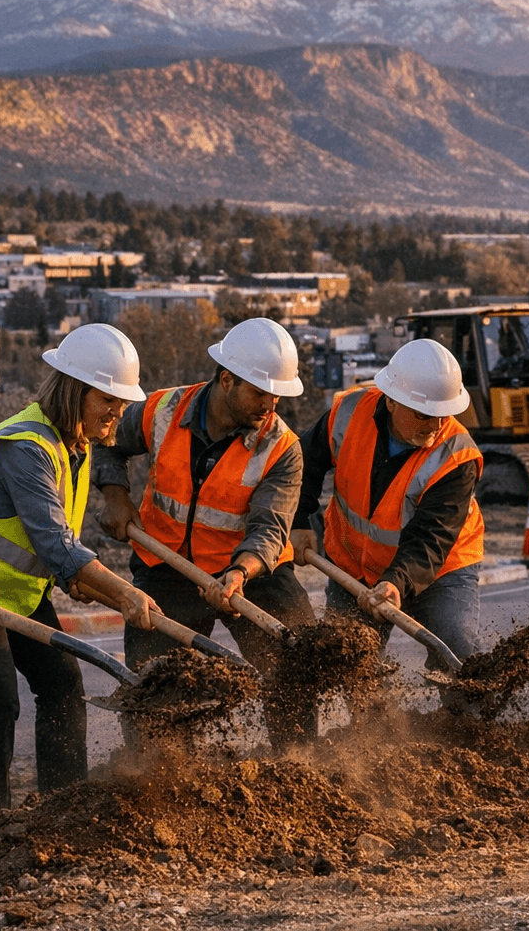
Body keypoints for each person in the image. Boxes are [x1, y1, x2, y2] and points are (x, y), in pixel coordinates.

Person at [0, 323, 158, 813]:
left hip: (11, 590)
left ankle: (64, 807)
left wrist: (95, 587)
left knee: (62, 682)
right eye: (108, 399)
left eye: (122, 402)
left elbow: (59, 553)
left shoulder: (74, 445)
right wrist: (125, 593)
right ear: (75, 390)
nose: (118, 412)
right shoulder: (26, 447)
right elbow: (58, 547)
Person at [93, 317, 315, 741]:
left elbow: (269, 527)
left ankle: (298, 760)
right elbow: (107, 440)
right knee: (154, 689)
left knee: (294, 664)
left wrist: (241, 571)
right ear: (226, 380)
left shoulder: (282, 448)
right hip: (165, 567)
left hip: (252, 574)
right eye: (260, 392)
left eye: (277, 395)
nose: (270, 405)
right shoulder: (162, 409)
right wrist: (116, 496)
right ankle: (153, 769)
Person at [292, 338, 486, 666]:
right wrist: (298, 522)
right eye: (425, 415)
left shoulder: (457, 457)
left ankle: (464, 700)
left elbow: (430, 540)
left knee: (455, 646)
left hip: (440, 568)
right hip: (354, 565)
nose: (436, 426)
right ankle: (373, 704)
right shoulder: (349, 413)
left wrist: (394, 583)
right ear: (392, 401)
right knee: (349, 660)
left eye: (444, 414)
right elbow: (302, 465)